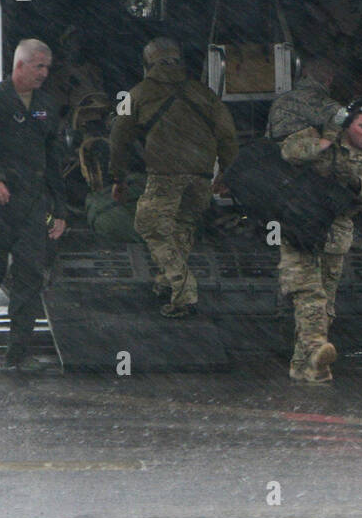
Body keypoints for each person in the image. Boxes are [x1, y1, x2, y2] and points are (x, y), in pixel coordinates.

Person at [0, 39, 68, 371]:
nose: (45, 74)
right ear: (20, 65)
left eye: (48, 67)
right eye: (39, 67)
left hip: (31, 201)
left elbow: (53, 160)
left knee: (30, 275)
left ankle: (19, 352)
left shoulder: (45, 105)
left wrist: (59, 211)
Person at [109, 37, 238, 319]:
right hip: (201, 177)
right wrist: (226, 173)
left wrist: (118, 177)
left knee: (150, 226)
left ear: (147, 63)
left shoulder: (139, 93)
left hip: (164, 176)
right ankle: (166, 281)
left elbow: (118, 137)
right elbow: (228, 135)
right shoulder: (204, 93)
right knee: (182, 227)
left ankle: (184, 291)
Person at [278, 99, 362, 383]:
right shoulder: (316, 135)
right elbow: (289, 152)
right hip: (300, 225)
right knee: (308, 294)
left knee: (324, 304)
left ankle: (304, 364)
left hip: (336, 229)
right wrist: (324, 143)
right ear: (347, 123)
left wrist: (357, 184)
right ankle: (316, 353)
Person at [266, 56, 341, 141]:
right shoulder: (326, 105)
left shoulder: (281, 100)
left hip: (276, 151)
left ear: (304, 72)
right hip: (303, 152)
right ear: (330, 79)